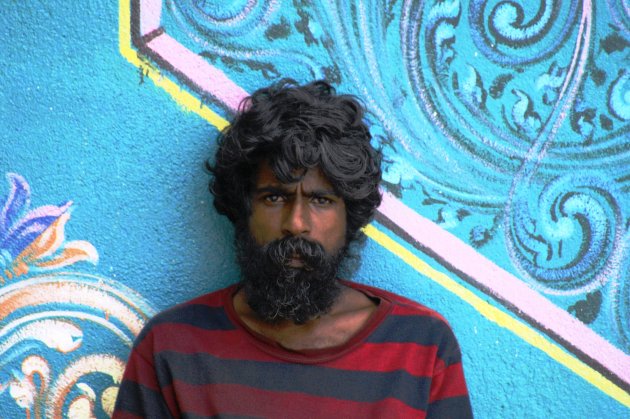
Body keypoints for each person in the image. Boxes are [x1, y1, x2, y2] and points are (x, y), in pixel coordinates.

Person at [113, 81, 473, 418]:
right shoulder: (172, 348)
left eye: (321, 199)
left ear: (350, 214)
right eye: (274, 197)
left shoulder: (420, 347)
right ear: (243, 208)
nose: (297, 223)